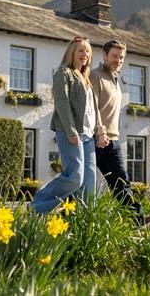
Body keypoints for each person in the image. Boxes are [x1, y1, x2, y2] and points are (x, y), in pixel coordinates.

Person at [90, 39, 150, 229]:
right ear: (104, 55)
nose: (118, 60)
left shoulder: (115, 79)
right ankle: (56, 215)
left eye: (121, 58)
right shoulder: (95, 75)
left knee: (121, 182)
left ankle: (137, 220)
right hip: (96, 139)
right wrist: (100, 132)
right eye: (114, 56)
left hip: (112, 141)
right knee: (81, 183)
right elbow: (94, 106)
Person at [31, 36, 104, 214]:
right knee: (74, 178)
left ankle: (85, 220)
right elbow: (62, 103)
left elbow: (93, 109)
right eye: (80, 50)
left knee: (89, 182)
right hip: (71, 133)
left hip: (88, 135)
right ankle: (36, 207)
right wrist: (72, 132)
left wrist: (100, 131)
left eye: (87, 51)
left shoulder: (86, 78)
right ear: (71, 52)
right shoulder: (63, 73)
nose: (84, 54)